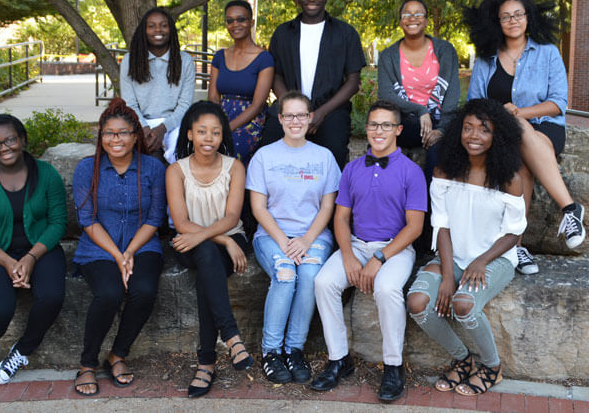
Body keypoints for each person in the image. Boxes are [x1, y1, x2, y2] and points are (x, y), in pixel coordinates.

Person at [406, 98, 526, 397]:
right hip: (452, 252)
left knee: (464, 305)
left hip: (495, 258)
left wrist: (481, 261)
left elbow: (514, 233)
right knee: (418, 302)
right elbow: (442, 224)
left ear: (497, 135)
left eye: (484, 130)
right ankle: (462, 358)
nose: (474, 136)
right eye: (468, 128)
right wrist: (448, 275)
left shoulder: (509, 179)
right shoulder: (445, 170)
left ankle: (491, 366)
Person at [465, 0, 586, 275]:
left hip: (545, 128)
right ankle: (569, 210)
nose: (513, 20)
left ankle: (519, 243)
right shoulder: (486, 59)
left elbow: (558, 103)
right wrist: (498, 119)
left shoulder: (548, 53)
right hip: (500, 130)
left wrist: (521, 113)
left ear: (528, 18)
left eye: (518, 14)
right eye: (505, 16)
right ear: (497, 22)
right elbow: (474, 102)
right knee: (517, 150)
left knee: (521, 164)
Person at [311, 101, 426, 402]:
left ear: (398, 130)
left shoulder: (411, 172)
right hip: (357, 244)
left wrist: (380, 258)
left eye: (386, 125)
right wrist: (348, 254)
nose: (379, 130)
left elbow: (414, 227)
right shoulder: (351, 169)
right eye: (374, 124)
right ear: (367, 128)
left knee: (387, 289)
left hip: (396, 249)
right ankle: (339, 359)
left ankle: (393, 366)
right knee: (323, 282)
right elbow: (340, 218)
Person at [0, 114, 67, 392]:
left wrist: (30, 258)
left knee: (52, 297)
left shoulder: (47, 174)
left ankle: (21, 351)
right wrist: (8, 262)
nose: (4, 147)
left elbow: (58, 223)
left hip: (42, 249)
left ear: (22, 139)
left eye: (10, 139)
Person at [71, 99, 166, 396]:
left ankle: (117, 355)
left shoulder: (152, 168)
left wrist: (129, 253)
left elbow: (155, 217)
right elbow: (87, 219)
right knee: (110, 293)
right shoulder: (88, 169)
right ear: (101, 136)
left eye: (123, 133)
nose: (116, 140)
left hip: (143, 244)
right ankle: (88, 364)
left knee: (144, 291)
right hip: (99, 248)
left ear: (136, 135)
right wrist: (117, 255)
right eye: (109, 133)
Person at [247, 91, 341, 384]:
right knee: (286, 274)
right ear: (281, 119)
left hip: (313, 236)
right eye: (289, 115)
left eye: (301, 115)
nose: (295, 121)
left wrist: (305, 240)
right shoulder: (264, 156)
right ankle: (271, 352)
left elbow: (328, 206)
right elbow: (258, 208)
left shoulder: (324, 157)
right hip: (272, 235)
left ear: (310, 118)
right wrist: (285, 242)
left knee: (310, 274)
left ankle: (294, 349)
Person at [165, 101, 254, 398]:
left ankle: (206, 363)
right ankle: (231, 336)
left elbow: (231, 218)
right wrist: (222, 239)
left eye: (215, 132)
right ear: (189, 134)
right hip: (189, 240)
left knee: (207, 264)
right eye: (202, 131)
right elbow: (180, 221)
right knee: (205, 253)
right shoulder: (176, 170)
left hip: (230, 241)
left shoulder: (235, 167)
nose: (209, 138)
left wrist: (228, 239)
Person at [259, 0, 367, 168]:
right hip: (288, 107)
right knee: (268, 146)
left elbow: (352, 82)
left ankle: (333, 199)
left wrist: (321, 113)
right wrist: (293, 110)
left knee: (334, 154)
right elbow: (276, 75)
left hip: (331, 109)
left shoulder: (345, 33)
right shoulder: (283, 33)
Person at [377, 0, 460, 181]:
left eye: (418, 14)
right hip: (405, 123)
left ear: (426, 21)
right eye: (406, 14)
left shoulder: (445, 51)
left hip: (439, 122)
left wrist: (442, 130)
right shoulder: (388, 56)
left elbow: (452, 95)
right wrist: (420, 110)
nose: (412, 18)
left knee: (438, 153)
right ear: (400, 22)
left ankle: (427, 209)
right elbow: (386, 95)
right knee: (380, 143)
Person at [120, 7, 196, 163]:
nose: (158, 30)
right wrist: (145, 128)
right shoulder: (130, 60)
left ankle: (177, 185)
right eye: (151, 25)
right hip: (140, 121)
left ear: (170, 29)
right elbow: (130, 103)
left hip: (174, 123)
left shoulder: (185, 61)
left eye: (163, 25)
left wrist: (162, 129)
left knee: (180, 152)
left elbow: (185, 105)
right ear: (144, 30)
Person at [208, 0, 274, 165]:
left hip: (249, 120)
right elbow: (214, 98)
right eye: (230, 20)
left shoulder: (264, 58)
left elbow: (258, 105)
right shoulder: (219, 56)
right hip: (220, 116)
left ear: (251, 22)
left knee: (230, 151)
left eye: (241, 19)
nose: (235, 24)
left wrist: (227, 128)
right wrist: (217, 125)